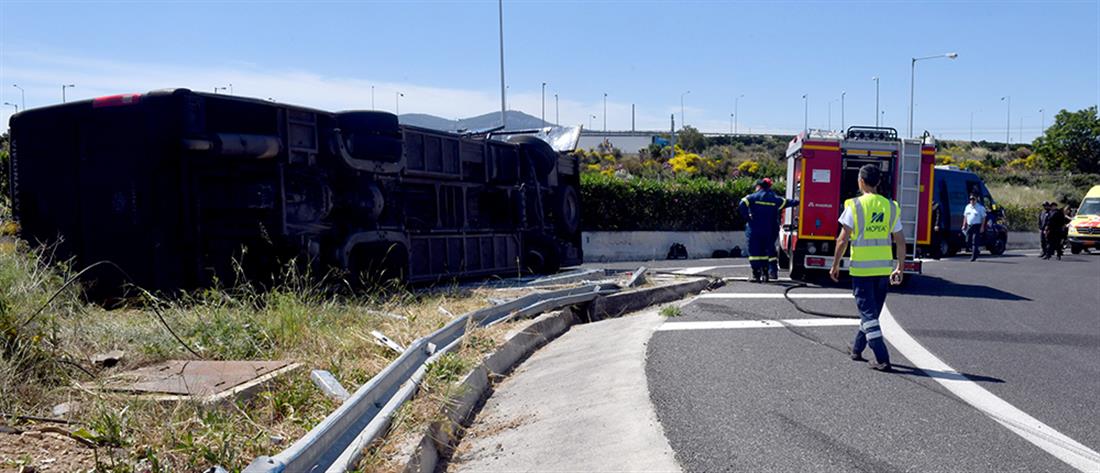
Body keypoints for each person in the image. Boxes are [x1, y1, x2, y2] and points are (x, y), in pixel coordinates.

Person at [829, 164, 905, 371]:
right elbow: (900, 240)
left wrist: (835, 264)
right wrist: (900, 267)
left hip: (862, 271)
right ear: (879, 182)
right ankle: (856, 348)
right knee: (871, 314)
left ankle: (882, 357)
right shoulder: (891, 206)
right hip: (882, 270)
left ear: (861, 181)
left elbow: (842, 240)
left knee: (869, 316)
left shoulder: (854, 205)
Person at [738, 178, 791, 282]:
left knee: (754, 253)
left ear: (759, 186)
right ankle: (767, 272)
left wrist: (748, 217)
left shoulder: (753, 197)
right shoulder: (773, 198)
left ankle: (756, 275)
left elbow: (742, 204)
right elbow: (787, 202)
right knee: (766, 252)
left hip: (754, 229)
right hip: (769, 230)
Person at [962, 194, 987, 261]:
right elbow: (965, 216)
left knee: (975, 241)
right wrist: (964, 225)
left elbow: (983, 218)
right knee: (967, 241)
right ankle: (976, 251)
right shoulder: (967, 207)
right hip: (969, 226)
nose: (972, 201)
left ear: (976, 200)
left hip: (977, 226)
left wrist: (982, 227)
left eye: (973, 199)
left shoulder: (980, 208)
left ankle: (973, 257)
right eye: (970, 199)